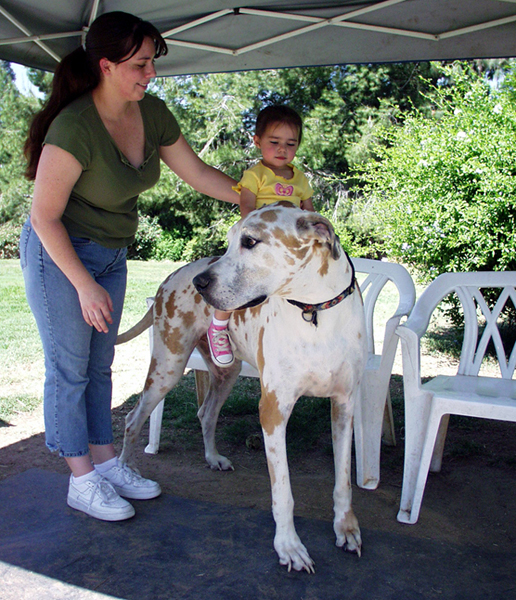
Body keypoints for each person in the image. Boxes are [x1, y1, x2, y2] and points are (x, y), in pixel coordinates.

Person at [20, 11, 240, 522]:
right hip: (61, 253)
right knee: (70, 370)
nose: (150, 73)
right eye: (140, 64)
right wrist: (82, 285)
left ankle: (104, 462)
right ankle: (80, 480)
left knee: (100, 367)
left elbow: (199, 172)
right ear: (106, 66)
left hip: (112, 253)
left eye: (152, 63)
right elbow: (44, 216)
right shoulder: (74, 126)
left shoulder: (153, 113)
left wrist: (254, 200)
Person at [207, 105, 315, 368]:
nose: (282, 150)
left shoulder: (300, 179)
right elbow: (247, 208)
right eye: (274, 142)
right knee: (235, 279)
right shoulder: (255, 175)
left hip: (283, 244)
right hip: (252, 235)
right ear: (257, 142)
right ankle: (218, 326)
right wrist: (260, 232)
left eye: (291, 144)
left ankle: (302, 328)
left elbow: (309, 211)